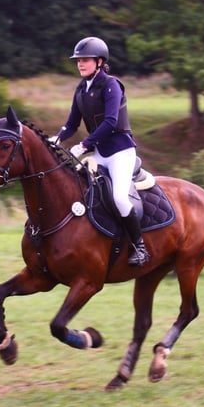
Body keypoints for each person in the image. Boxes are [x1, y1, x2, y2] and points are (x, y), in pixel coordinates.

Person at [50, 36, 150, 266]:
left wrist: (84, 145)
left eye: (85, 60)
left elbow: (111, 122)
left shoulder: (111, 84)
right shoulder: (81, 89)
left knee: (118, 198)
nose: (80, 64)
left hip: (120, 153)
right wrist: (57, 138)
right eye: (78, 60)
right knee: (77, 187)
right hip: (100, 154)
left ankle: (139, 247)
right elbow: (71, 124)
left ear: (99, 61)